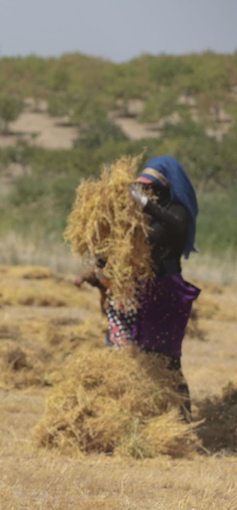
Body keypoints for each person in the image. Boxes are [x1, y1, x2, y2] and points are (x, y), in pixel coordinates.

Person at [75, 155, 200, 415]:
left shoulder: (176, 213)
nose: (148, 192)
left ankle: (183, 419)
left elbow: (173, 226)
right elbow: (124, 247)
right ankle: (134, 415)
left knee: (166, 360)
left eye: (152, 188)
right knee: (131, 357)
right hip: (140, 292)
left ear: (166, 186)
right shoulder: (144, 217)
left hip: (166, 293)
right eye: (145, 188)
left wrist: (142, 203)